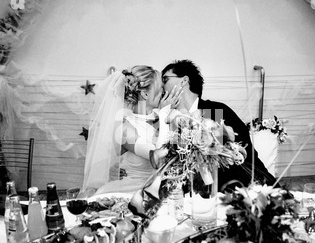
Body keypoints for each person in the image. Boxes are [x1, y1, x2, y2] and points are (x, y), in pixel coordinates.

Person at [161, 59, 278, 191]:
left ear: (183, 81)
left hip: (244, 187)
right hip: (195, 192)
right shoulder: (168, 118)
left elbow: (223, 161)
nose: (161, 86)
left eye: (165, 79)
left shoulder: (215, 111)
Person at [82, 65, 181, 196]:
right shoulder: (123, 129)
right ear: (145, 94)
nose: (164, 93)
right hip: (131, 193)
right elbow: (158, 160)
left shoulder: (162, 116)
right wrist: (164, 115)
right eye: (161, 89)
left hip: (162, 190)